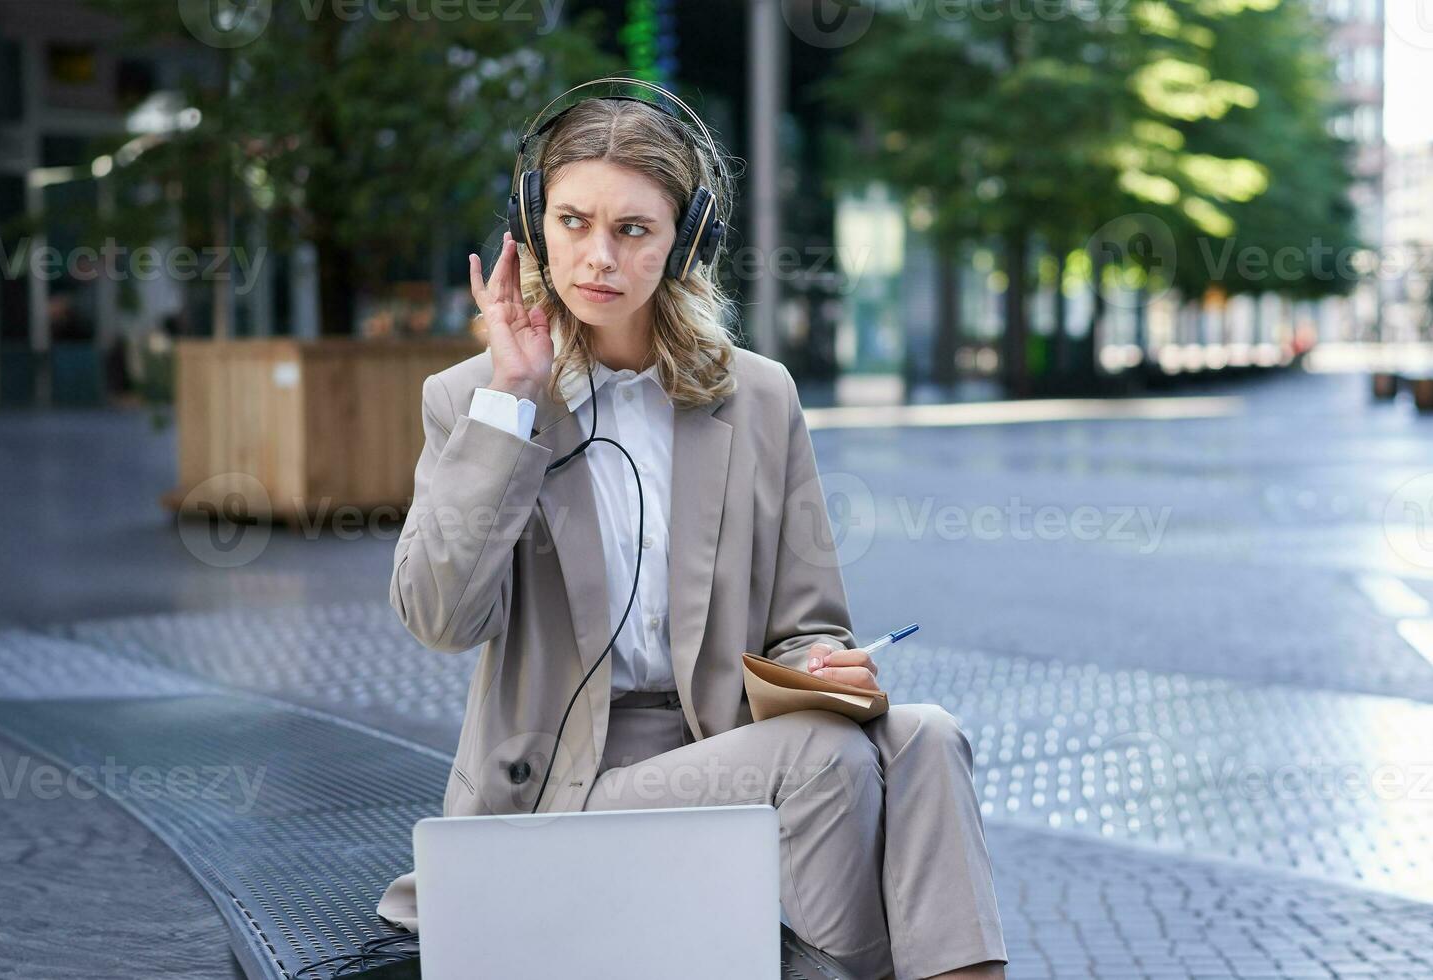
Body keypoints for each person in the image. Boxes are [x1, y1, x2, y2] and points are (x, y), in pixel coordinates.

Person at [372, 88, 1007, 980]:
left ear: (685, 239)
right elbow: (439, 618)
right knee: (827, 756)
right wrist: (508, 406)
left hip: (733, 742)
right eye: (573, 221)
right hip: (569, 787)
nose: (597, 257)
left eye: (633, 229)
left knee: (930, 736)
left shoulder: (758, 396)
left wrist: (820, 660)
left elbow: (807, 615)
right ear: (532, 218)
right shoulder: (473, 401)